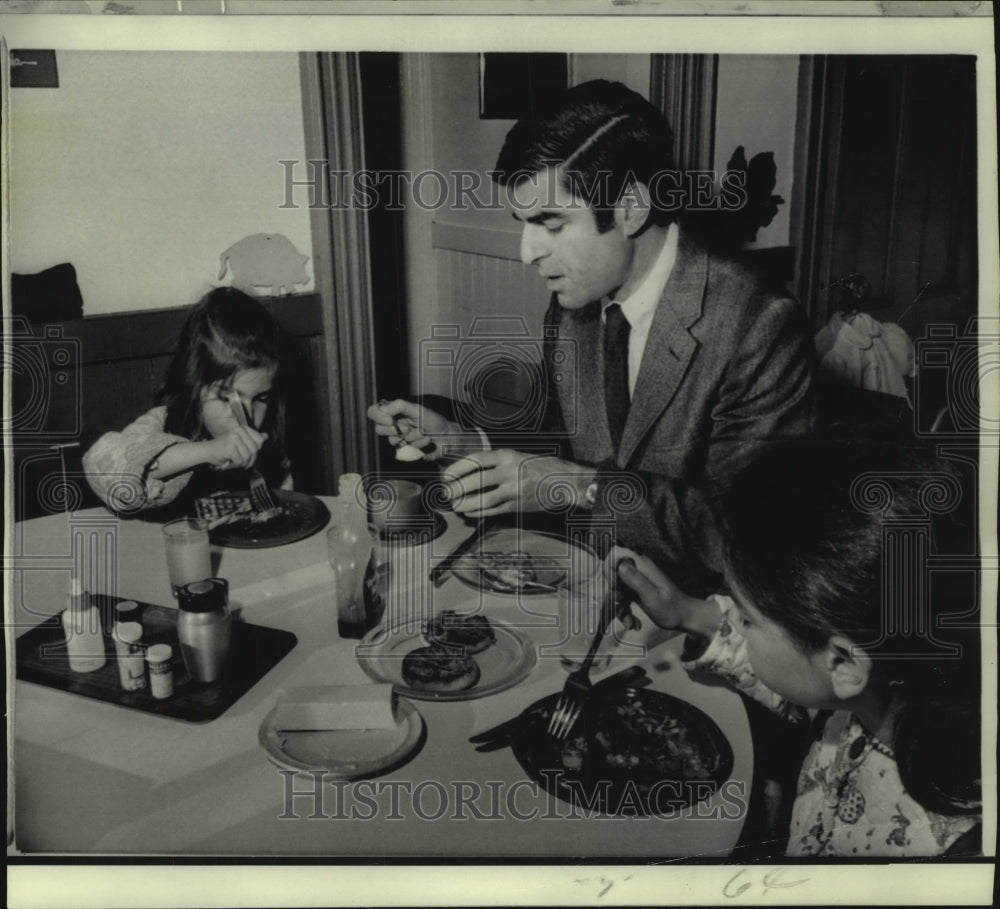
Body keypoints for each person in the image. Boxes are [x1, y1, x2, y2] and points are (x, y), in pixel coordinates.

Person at [370, 79, 814, 590]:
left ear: (629, 209)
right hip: (588, 590)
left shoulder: (758, 323)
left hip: (702, 618)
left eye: (552, 224)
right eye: (522, 223)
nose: (526, 252)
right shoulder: (572, 309)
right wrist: (463, 441)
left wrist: (577, 487)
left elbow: (752, 535)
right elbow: (564, 444)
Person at [612, 440, 982, 857]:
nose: (736, 622)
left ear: (842, 662)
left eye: (747, 619)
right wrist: (688, 613)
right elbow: (805, 677)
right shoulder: (884, 693)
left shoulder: (940, 852)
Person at [83, 287, 291, 515]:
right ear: (192, 383)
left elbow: (285, 506)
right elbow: (102, 468)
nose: (248, 417)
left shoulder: (266, 439)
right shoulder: (162, 421)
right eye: (226, 398)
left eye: (261, 398)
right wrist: (206, 452)